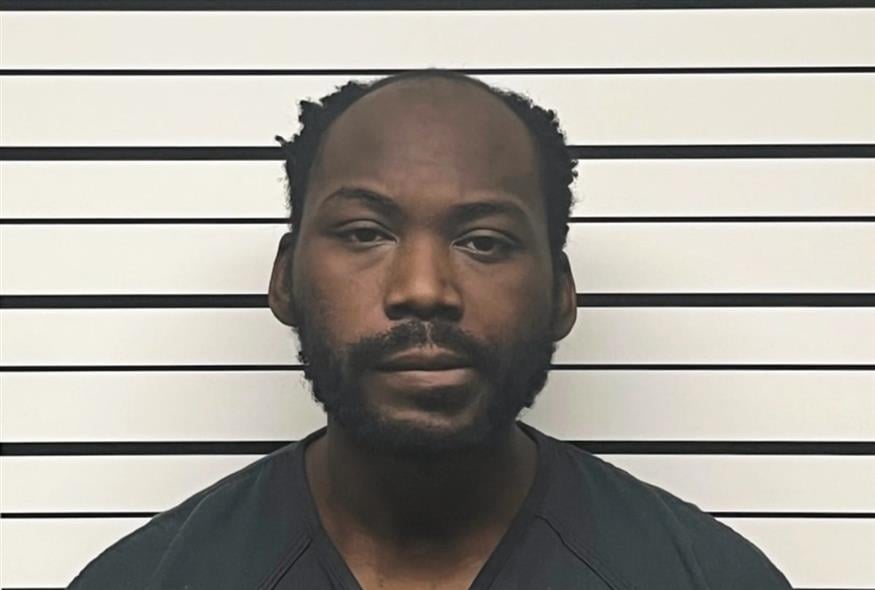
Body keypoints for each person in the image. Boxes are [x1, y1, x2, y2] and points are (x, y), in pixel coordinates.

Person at [69, 69, 792, 589]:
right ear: (284, 278)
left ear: (561, 294)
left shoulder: (704, 575)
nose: (423, 288)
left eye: (484, 241)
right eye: (364, 233)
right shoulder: (148, 577)